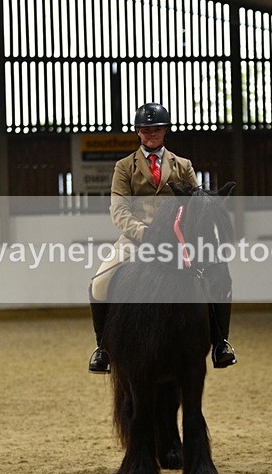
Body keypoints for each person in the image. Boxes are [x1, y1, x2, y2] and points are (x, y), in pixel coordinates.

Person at [87, 102, 238, 373]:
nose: (151, 133)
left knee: (216, 277)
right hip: (138, 238)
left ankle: (220, 344)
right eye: (146, 129)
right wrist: (145, 234)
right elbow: (119, 210)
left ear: (165, 130)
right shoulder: (124, 167)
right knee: (100, 282)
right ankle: (104, 349)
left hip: (180, 239)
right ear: (138, 132)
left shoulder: (182, 165)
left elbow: (197, 203)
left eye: (156, 128)